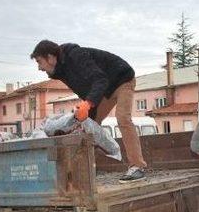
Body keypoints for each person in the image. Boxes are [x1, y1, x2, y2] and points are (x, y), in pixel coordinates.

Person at [31, 40, 147, 183]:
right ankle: (88, 167)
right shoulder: (61, 70)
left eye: (39, 61)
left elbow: (100, 79)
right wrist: (86, 112)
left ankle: (138, 167)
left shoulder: (75, 55)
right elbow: (84, 88)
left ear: (50, 57)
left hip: (122, 79)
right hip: (104, 89)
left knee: (123, 118)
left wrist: (88, 104)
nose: (39, 67)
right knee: (89, 125)